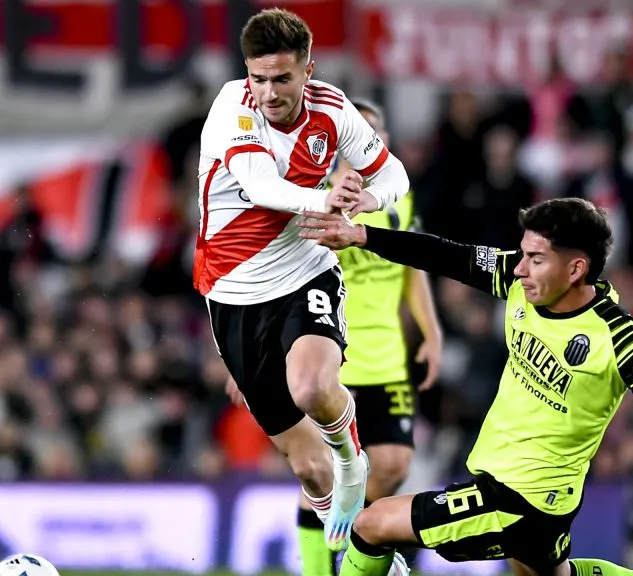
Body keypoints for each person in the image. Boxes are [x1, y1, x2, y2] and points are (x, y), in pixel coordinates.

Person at [298, 197, 633, 576]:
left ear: (576, 269)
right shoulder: (519, 279)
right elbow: (443, 254)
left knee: (372, 525)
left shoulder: (619, 338)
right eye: (523, 253)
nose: (521, 267)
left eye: (536, 259)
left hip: (522, 501)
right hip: (530, 496)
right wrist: (364, 236)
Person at [195, 8, 410, 552]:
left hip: (302, 273)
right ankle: (360, 543)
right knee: (309, 471)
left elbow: (394, 176)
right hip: (232, 293)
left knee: (312, 387)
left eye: (282, 78)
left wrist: (367, 198)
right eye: (259, 78)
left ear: (307, 70)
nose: (268, 92)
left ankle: (352, 461)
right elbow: (260, 184)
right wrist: (327, 199)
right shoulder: (231, 106)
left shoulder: (333, 111)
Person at [295, 99, 443, 575]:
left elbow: (414, 266)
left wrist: (432, 331)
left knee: (394, 465)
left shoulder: (398, 198)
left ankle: (354, 548)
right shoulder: (315, 195)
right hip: (330, 356)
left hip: (386, 358)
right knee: (320, 471)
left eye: (373, 138)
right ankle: (324, 569)